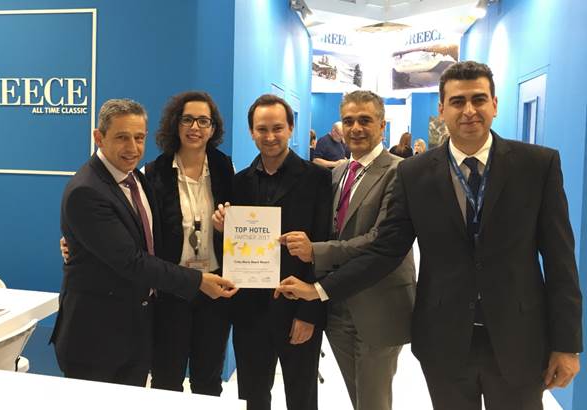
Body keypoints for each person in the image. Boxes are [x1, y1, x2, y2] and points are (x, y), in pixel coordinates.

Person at [275, 61, 582, 410]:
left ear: (495, 104)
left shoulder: (537, 165)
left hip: (519, 338)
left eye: (478, 99)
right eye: (457, 101)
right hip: (444, 339)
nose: (469, 110)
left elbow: (560, 260)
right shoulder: (414, 173)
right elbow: (386, 250)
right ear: (442, 109)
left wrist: (567, 344)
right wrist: (320, 289)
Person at [50, 98, 237, 387]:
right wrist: (198, 281)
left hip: (138, 323)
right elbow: (130, 260)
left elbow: (143, 237)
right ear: (99, 137)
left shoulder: (136, 179)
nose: (132, 147)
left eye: (138, 138)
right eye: (122, 137)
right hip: (98, 334)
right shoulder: (89, 189)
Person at [281, 90, 416, 410]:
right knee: (359, 398)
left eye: (365, 120)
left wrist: (316, 251)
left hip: (379, 306)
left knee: (373, 402)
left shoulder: (400, 172)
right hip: (337, 305)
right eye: (349, 120)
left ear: (382, 125)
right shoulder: (339, 172)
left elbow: (379, 240)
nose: (356, 128)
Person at [213, 94, 332, 410]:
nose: (270, 136)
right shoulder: (238, 183)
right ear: (251, 132)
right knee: (252, 397)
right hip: (249, 312)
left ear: (291, 128)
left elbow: (323, 247)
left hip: (298, 307)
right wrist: (222, 228)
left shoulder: (318, 179)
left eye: (277, 128)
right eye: (262, 129)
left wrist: (309, 313)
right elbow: (231, 248)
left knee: (302, 398)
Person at [144, 91, 234, 396]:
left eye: (203, 121)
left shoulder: (226, 168)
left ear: (213, 128)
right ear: (175, 123)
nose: (195, 127)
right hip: (172, 288)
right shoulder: (154, 172)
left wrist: (226, 228)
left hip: (215, 288)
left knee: (208, 380)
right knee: (166, 378)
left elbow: (243, 226)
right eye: (187, 119)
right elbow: (137, 223)